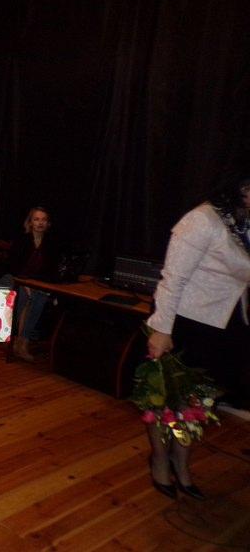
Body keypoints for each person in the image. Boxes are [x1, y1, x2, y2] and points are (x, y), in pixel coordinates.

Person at [145, 172, 250, 500]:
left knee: (198, 403)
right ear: (242, 189)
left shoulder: (242, 224)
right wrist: (161, 330)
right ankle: (160, 460)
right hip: (186, 325)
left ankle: (181, 461)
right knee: (167, 400)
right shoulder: (202, 219)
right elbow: (172, 278)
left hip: (223, 326)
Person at [8, 207, 59, 362]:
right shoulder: (22, 239)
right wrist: (24, 282)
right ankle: (15, 340)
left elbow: (51, 270)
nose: (40, 223)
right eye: (36, 219)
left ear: (48, 223)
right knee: (24, 296)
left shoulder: (51, 243)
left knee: (40, 296)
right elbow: (12, 266)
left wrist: (41, 285)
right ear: (30, 222)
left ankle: (23, 342)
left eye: (43, 220)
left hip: (37, 283)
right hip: (16, 279)